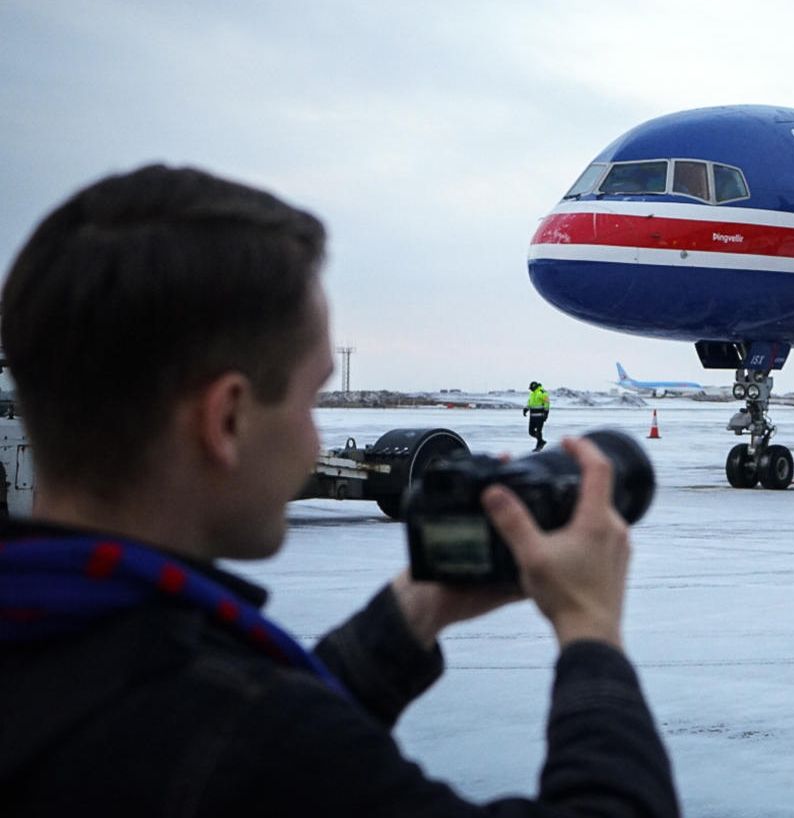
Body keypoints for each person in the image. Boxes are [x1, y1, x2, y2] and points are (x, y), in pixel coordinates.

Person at [0, 165, 678, 817]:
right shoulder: (242, 736)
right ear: (227, 420)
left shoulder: (61, 654)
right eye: (310, 400)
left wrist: (415, 611)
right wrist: (590, 629)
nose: (316, 445)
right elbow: (254, 745)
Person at [525, 380, 551, 451]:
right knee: (531, 432)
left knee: (539, 431)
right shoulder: (532, 394)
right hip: (532, 416)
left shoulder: (543, 393)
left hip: (540, 416)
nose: (530, 390)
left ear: (534, 387)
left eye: (531, 388)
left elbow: (547, 403)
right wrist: (526, 409)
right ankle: (541, 441)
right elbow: (530, 403)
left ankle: (539, 446)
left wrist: (546, 413)